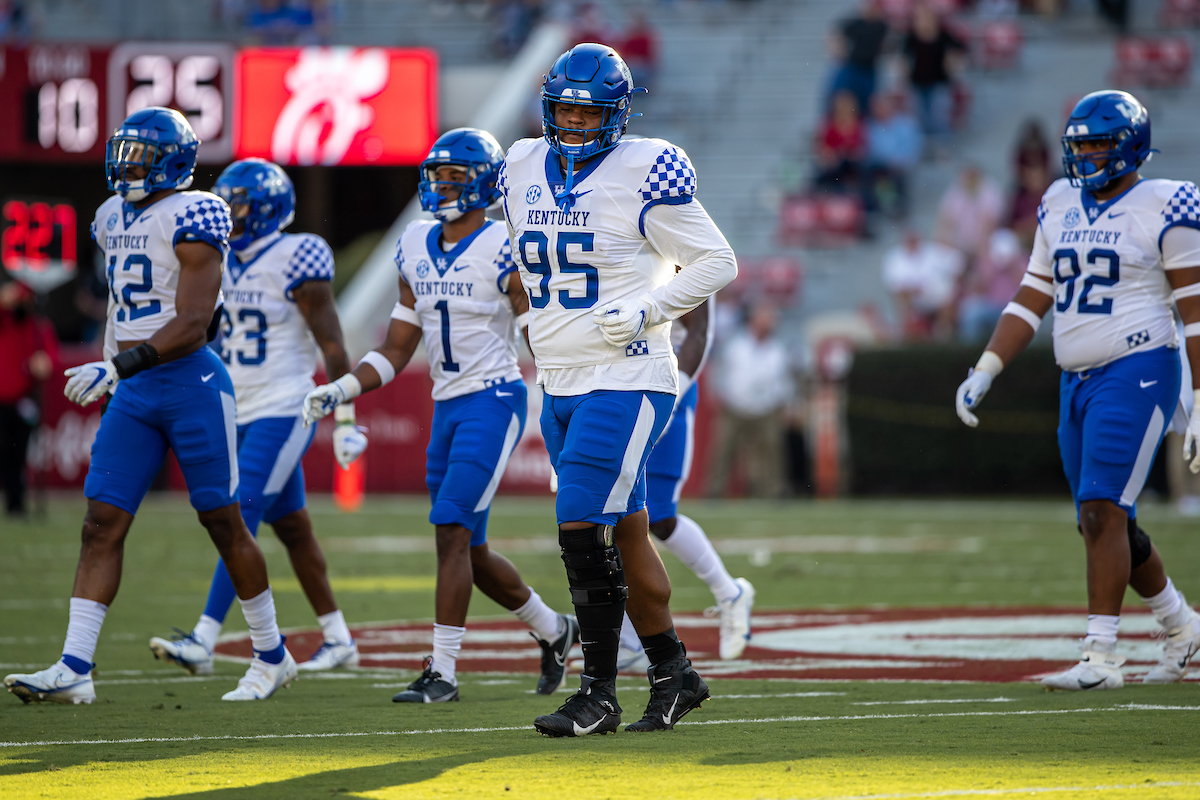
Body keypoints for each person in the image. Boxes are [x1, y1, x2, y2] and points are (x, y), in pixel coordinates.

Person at [4, 107, 295, 705]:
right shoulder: (110, 215)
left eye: (140, 155)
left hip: (190, 384)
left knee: (223, 520)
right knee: (99, 525)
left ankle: (272, 656)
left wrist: (115, 366)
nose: (127, 164)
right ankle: (75, 667)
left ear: (172, 162)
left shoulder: (196, 211)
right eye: (124, 152)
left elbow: (193, 323)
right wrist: (117, 367)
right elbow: (120, 305)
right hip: (134, 392)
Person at [500, 43, 737, 736]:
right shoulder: (518, 165)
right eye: (564, 110)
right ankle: (676, 674)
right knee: (629, 532)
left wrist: (648, 310)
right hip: (562, 377)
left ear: (615, 115)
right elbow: (523, 257)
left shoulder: (643, 168)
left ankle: (597, 692)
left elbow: (716, 260)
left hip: (629, 374)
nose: (573, 124)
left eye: (587, 112)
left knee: (580, 523)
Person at [303, 128, 578, 703]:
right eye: (437, 174)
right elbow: (398, 347)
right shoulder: (413, 243)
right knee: (467, 549)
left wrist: (565, 399)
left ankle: (444, 672)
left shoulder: (507, 245)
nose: (440, 184)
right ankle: (554, 630)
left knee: (450, 528)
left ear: (481, 183)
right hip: (445, 403)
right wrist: (343, 388)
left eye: (453, 175)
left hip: (493, 401)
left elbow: (537, 337)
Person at [955, 91, 1200, 690]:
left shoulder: (1167, 203)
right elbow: (1032, 293)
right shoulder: (1058, 200)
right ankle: (1182, 626)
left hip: (1139, 366)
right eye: (1079, 145)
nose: (1084, 156)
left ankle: (1101, 656)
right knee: (1101, 520)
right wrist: (987, 365)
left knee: (1101, 509)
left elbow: (1195, 315)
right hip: (1076, 379)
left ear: (1128, 147)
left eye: (1096, 145)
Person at [147, 158, 365, 677]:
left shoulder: (297, 254)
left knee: (238, 510)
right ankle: (338, 638)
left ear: (267, 209)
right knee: (291, 527)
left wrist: (347, 417)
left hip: (285, 405)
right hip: (236, 406)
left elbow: (332, 343)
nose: (231, 215)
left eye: (239, 206)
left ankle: (202, 637)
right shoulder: (214, 257)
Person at [617, 300, 756, 669]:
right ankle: (629, 639)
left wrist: (674, 394)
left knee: (658, 516)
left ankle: (730, 593)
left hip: (665, 381)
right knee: (608, 515)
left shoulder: (678, 249)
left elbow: (699, 331)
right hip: (614, 382)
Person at [706, 304, 793, 498]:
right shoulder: (735, 345)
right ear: (753, 321)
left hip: (768, 408)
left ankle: (773, 491)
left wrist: (785, 404)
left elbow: (785, 380)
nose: (768, 324)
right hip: (734, 405)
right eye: (764, 319)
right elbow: (719, 372)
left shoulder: (778, 348)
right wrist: (718, 395)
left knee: (771, 450)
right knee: (723, 448)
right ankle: (714, 490)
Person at [0, 279, 57, 517]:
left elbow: (50, 359)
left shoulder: (38, 328)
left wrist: (43, 364)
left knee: (18, 455)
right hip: (2, 401)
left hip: (24, 400)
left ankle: (16, 504)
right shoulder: (5, 322)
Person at [901, 2, 965, 153]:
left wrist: (952, 60)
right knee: (919, 119)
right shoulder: (911, 37)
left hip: (939, 83)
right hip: (916, 84)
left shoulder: (943, 36)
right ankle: (921, 150)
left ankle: (942, 149)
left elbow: (961, 49)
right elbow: (903, 57)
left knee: (939, 118)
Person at [882, 229, 964, 341]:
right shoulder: (895, 257)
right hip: (911, 298)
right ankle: (909, 332)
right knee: (901, 296)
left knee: (949, 296)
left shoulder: (932, 251)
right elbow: (894, 285)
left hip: (934, 295)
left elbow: (956, 261)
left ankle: (943, 336)